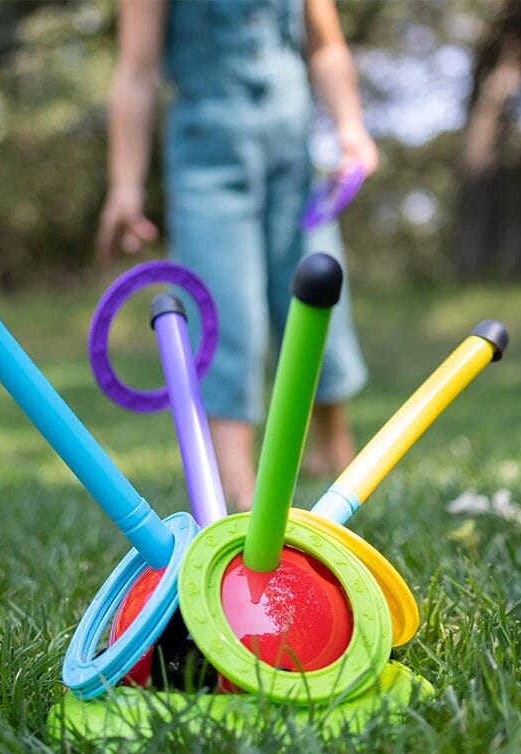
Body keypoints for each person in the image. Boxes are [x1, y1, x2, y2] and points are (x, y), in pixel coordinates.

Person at [97, 0, 379, 511]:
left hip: (294, 156)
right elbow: (136, 72)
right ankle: (234, 490)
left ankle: (334, 446)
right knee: (221, 310)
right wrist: (125, 184)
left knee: (315, 294)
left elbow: (328, 46)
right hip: (207, 162)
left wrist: (350, 126)